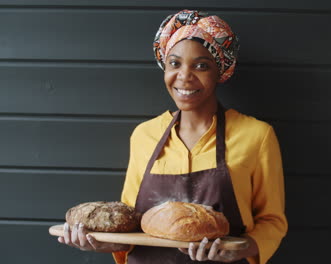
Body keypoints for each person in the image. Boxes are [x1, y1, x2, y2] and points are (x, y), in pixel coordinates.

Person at [58, 9, 287, 264]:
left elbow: (272, 222)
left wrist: (241, 249)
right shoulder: (145, 135)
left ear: (220, 71)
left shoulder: (256, 136)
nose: (185, 76)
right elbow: (129, 224)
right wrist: (103, 242)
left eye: (201, 65)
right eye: (174, 63)